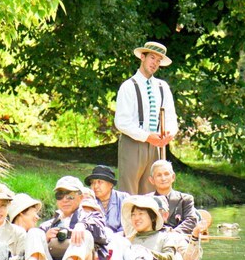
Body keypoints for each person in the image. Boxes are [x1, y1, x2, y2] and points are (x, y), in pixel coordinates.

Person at [114, 41, 179, 194]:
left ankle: (153, 218)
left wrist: (169, 133)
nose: (155, 63)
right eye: (152, 58)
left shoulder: (163, 87)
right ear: (142, 57)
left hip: (156, 145)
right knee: (128, 190)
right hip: (133, 143)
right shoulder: (128, 86)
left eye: (158, 61)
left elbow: (170, 116)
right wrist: (146, 136)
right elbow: (122, 122)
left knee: (153, 191)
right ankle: (127, 218)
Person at [39, 176, 109, 260]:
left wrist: (82, 225)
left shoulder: (93, 217)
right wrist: (45, 238)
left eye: (70, 196)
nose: (64, 200)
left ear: (81, 197)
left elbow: (98, 229)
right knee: (35, 233)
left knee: (85, 234)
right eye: (59, 195)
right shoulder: (47, 225)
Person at [118, 195, 184, 260]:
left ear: (152, 217)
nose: (136, 218)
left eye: (141, 214)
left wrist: (144, 252)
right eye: (133, 214)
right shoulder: (127, 241)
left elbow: (168, 259)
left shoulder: (166, 237)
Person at [147, 159, 197, 235]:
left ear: (173, 177)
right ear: (151, 180)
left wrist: (173, 233)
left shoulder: (185, 199)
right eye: (159, 175)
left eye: (166, 174)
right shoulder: (146, 200)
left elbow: (191, 221)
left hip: (179, 240)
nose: (163, 178)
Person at [84, 164, 129, 233]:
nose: (95, 186)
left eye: (100, 182)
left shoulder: (124, 198)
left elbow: (128, 226)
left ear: (111, 185)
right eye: (93, 183)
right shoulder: (88, 200)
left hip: (121, 238)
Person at [9, 193, 50, 260]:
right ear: (21, 213)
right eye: (34, 212)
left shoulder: (37, 234)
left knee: (34, 232)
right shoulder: (6, 236)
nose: (38, 217)